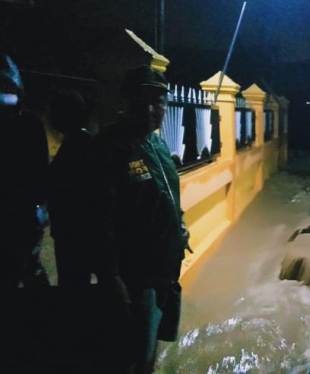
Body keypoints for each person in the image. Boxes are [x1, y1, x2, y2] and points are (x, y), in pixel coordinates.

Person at [90, 65, 189, 373]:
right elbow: (98, 218)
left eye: (159, 101)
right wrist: (111, 276)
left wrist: (179, 226)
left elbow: (165, 195)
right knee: (133, 353)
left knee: (152, 344)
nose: (152, 109)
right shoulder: (110, 147)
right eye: (143, 100)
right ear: (127, 102)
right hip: (136, 277)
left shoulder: (157, 144)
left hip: (165, 270)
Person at [0, 53, 50, 288]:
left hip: (21, 217)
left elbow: (39, 172)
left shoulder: (29, 125)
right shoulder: (29, 124)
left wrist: (38, 208)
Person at [47, 90, 94, 287]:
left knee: (75, 286)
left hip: (74, 233)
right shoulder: (86, 143)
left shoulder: (78, 147)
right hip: (77, 232)